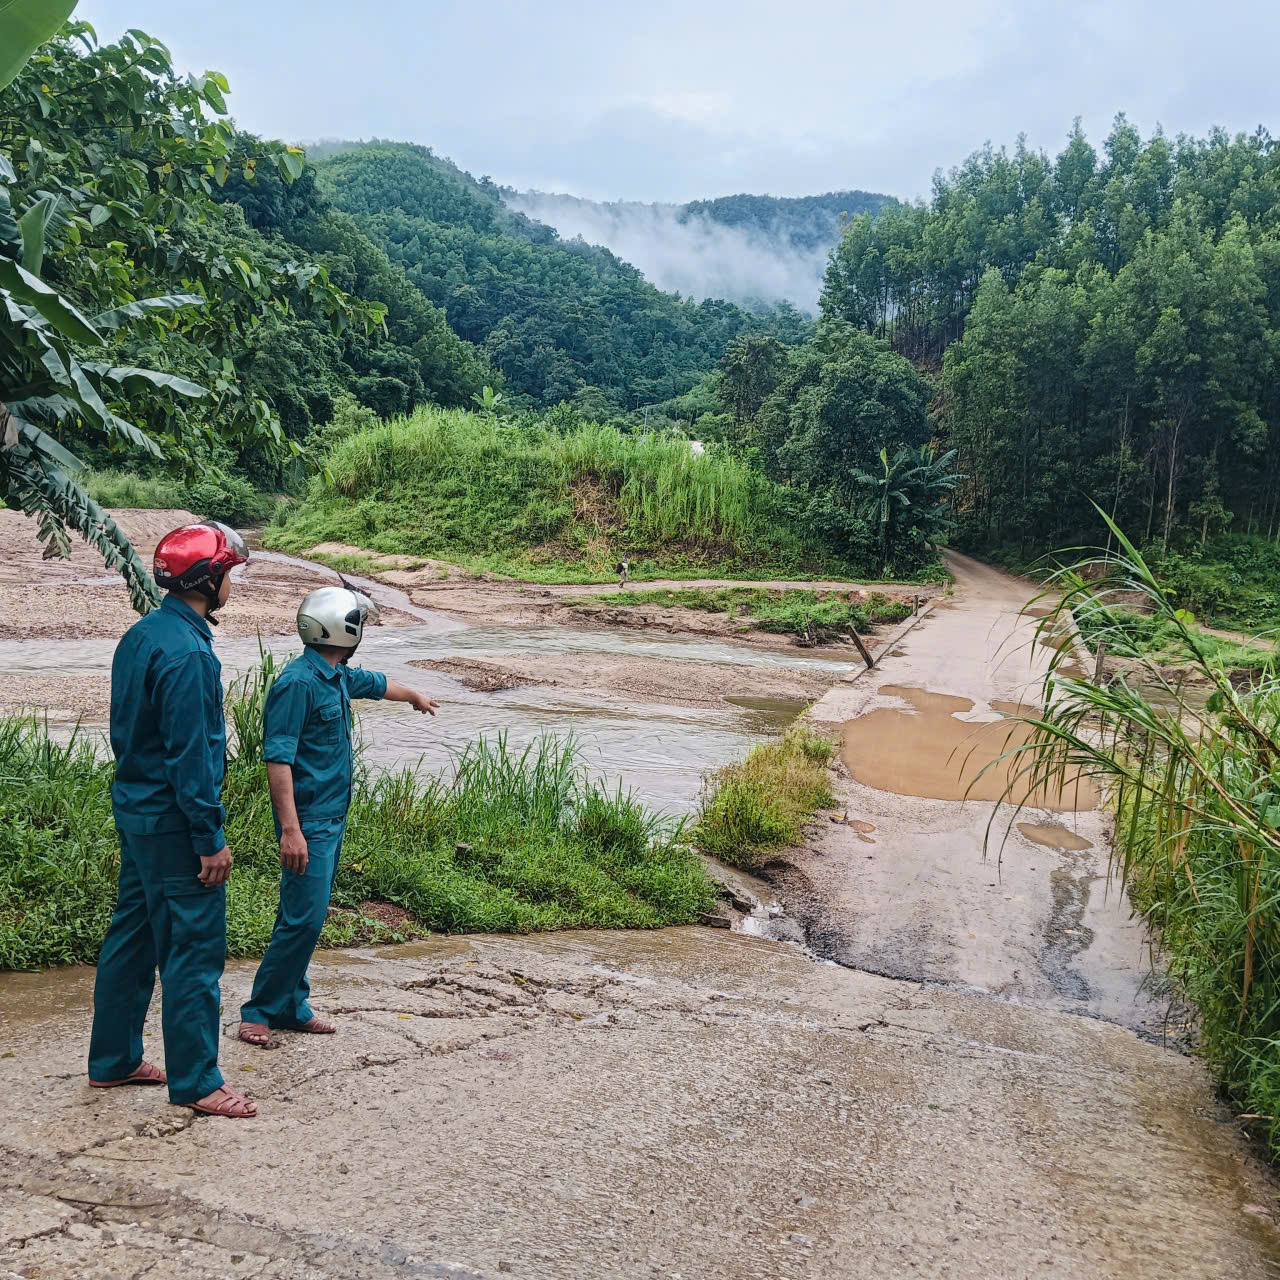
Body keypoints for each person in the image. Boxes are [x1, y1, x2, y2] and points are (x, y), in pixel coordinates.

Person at [88, 521, 257, 1119]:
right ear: (208, 580)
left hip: (137, 812)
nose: (232, 582)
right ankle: (197, 1081)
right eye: (229, 572)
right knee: (192, 947)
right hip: (173, 824)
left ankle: (114, 1060)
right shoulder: (188, 654)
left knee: (132, 938)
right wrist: (209, 837)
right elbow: (192, 757)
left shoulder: (144, 634)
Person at [238, 587, 438, 1046]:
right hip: (308, 822)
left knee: (308, 915)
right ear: (344, 630)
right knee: (301, 919)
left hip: (332, 817)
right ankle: (260, 1011)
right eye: (359, 625)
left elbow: (377, 683)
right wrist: (291, 830)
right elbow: (278, 760)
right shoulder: (297, 683)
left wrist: (413, 696)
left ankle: (292, 1005)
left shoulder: (335, 674)